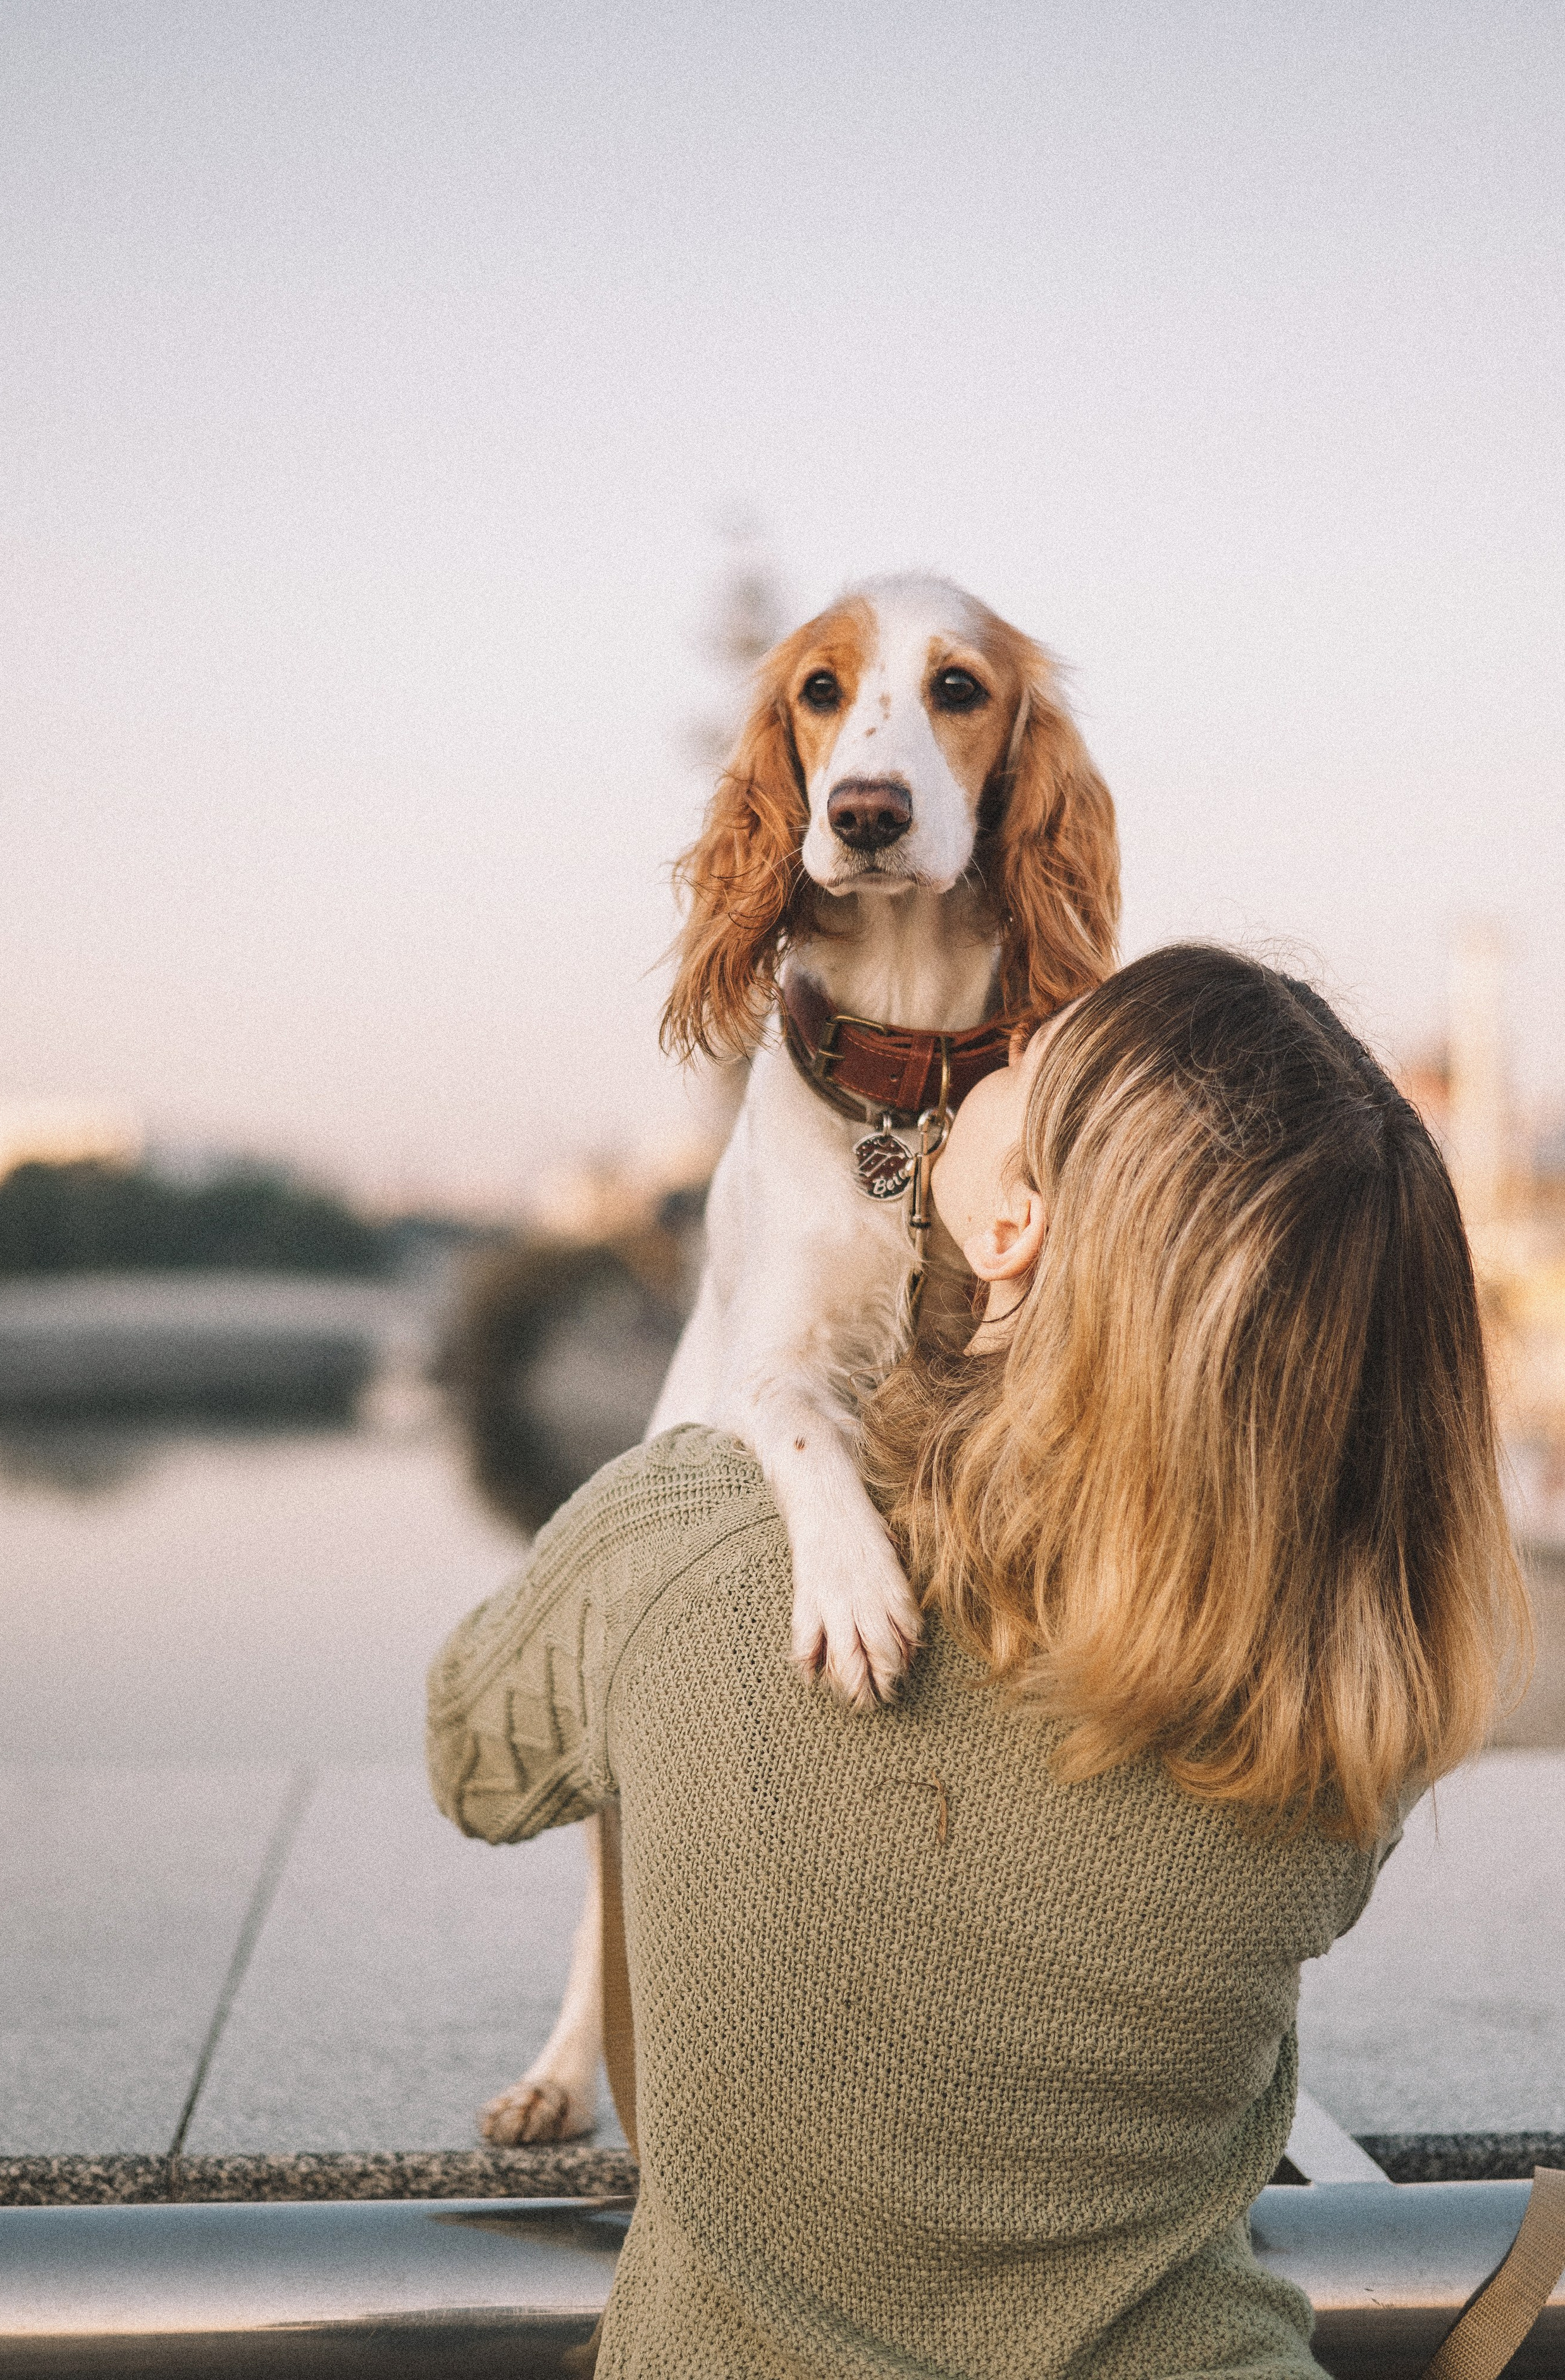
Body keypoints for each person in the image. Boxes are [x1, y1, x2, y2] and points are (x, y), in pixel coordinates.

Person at [427, 943, 1528, 2380]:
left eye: (1024, 1060)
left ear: (1013, 1224)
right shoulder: (1323, 1702)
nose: (988, 1054)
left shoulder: (691, 1539)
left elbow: (472, 1751)